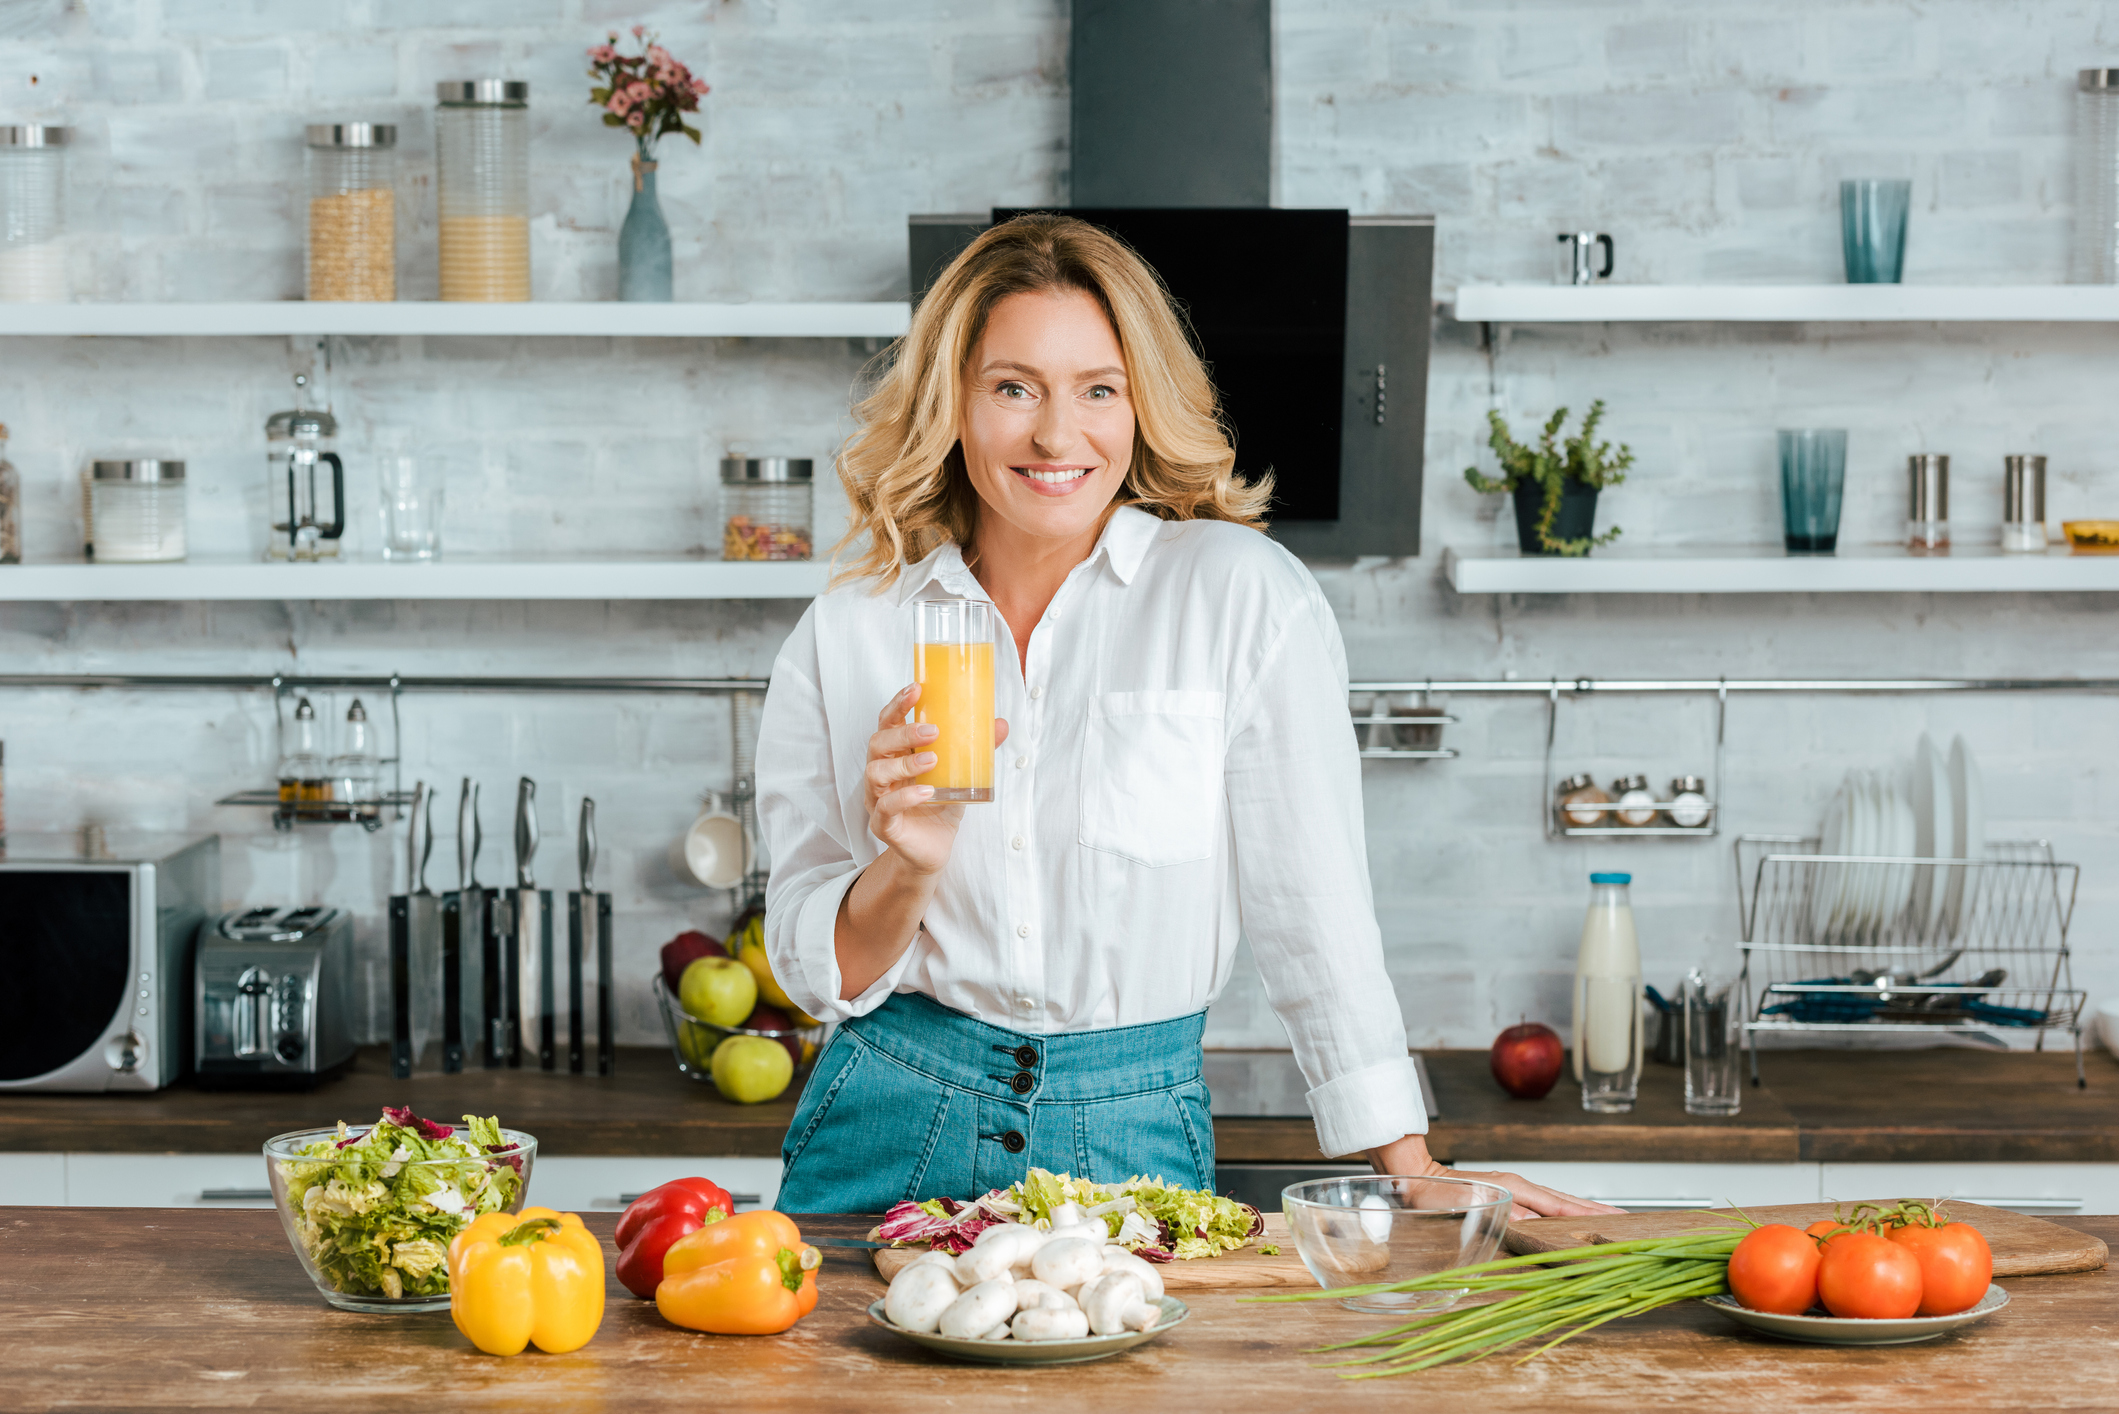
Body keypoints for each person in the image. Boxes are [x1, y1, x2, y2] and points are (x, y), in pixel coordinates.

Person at [757, 213, 1616, 1221]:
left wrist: (1411, 1169)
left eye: (1097, 390)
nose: (1054, 434)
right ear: (952, 402)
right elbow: (819, 972)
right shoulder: (851, 630)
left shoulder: (1238, 596)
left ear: (1140, 405)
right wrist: (905, 863)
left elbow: (1316, 909)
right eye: (1011, 387)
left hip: (1130, 1129)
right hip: (887, 1121)